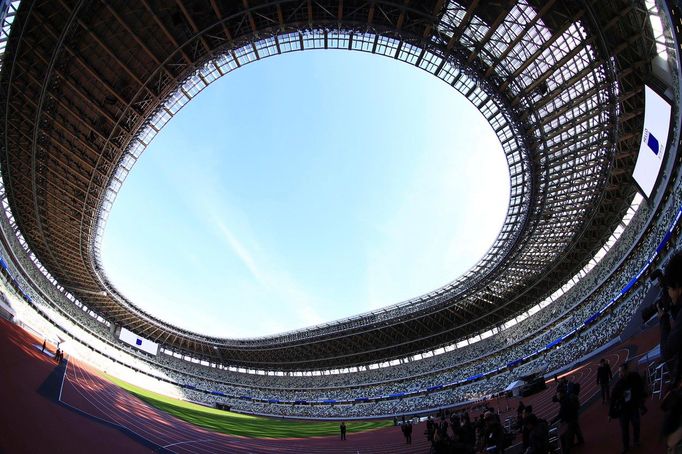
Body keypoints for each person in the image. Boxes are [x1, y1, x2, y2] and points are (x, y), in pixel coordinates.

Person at [610, 361, 646, 453]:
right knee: (624, 430)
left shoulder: (635, 377)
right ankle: (626, 446)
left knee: (636, 424)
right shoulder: (618, 385)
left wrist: (641, 402)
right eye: (618, 372)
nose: (619, 374)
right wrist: (610, 413)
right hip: (623, 410)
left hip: (633, 406)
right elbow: (613, 398)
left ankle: (636, 441)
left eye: (621, 372)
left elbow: (641, 387)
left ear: (626, 371)